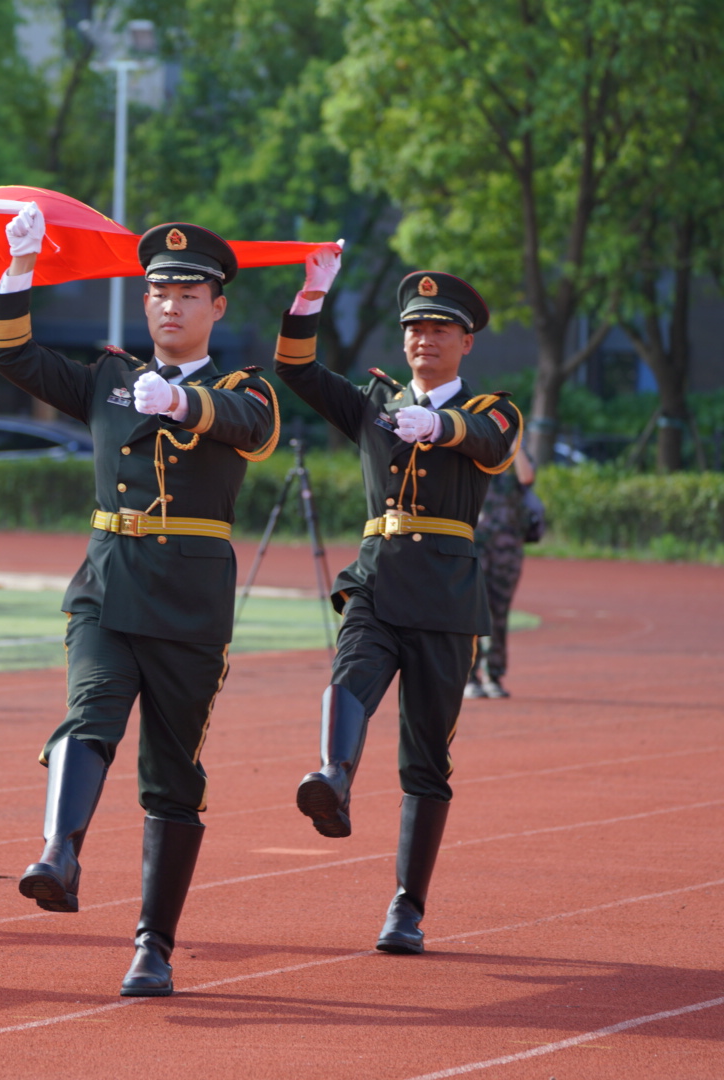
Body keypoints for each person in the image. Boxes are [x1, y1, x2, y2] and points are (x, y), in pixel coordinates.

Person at [0, 208, 306, 997]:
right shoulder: (108, 379)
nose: (171, 305)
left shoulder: (243, 387)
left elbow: (253, 427)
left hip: (190, 602)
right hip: (106, 582)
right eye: (160, 292)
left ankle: (153, 945)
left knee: (171, 774)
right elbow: (13, 355)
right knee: (88, 714)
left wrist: (183, 405)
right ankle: (59, 852)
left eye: (189, 294)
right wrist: (18, 268)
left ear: (216, 306)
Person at [275, 268, 524, 955]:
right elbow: (295, 369)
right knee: (348, 674)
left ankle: (407, 907)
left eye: (439, 328)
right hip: (377, 580)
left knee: (426, 758)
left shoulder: (494, 408)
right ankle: (334, 776)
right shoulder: (374, 404)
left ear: (466, 342)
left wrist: (440, 424)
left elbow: (493, 442)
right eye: (414, 327)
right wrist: (309, 297)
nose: (424, 339)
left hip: (445, 598)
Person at [468, 446, 536, 699]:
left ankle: (493, 675)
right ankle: (469, 676)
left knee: (499, 612)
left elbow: (526, 477)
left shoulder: (517, 454)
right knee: (471, 610)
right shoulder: (474, 446)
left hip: (507, 548)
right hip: (474, 544)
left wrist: (515, 444)